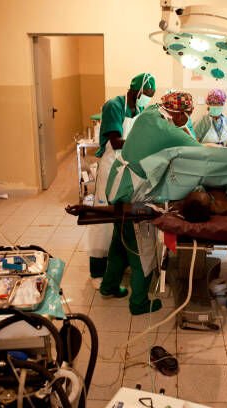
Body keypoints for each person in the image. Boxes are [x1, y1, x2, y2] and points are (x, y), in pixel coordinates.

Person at [100, 91, 201, 315]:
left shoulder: (151, 113)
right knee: (141, 249)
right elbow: (199, 151)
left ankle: (108, 286)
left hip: (118, 185)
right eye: (188, 115)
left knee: (120, 241)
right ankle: (139, 303)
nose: (189, 120)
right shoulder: (166, 128)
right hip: (132, 194)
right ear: (179, 114)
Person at [86, 73, 156, 289]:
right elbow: (116, 141)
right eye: (146, 95)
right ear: (136, 90)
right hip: (110, 166)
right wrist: (144, 146)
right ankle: (98, 271)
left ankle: (117, 268)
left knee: (122, 219)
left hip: (128, 168)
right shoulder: (113, 106)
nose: (147, 99)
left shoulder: (140, 110)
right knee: (104, 219)